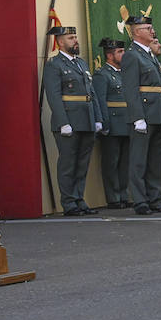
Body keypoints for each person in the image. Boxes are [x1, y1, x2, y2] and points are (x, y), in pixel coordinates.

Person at [42, 25, 102, 216]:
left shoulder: (81, 64)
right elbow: (54, 95)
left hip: (86, 119)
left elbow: (92, 93)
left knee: (82, 163)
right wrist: (63, 122)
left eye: (75, 37)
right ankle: (69, 203)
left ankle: (79, 199)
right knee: (68, 164)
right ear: (60, 42)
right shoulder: (54, 65)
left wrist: (98, 118)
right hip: (69, 120)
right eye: (70, 38)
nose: (75, 40)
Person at [121, 15, 161, 214]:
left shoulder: (149, 55)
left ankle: (154, 197)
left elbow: (160, 87)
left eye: (152, 27)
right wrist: (137, 117)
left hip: (157, 112)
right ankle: (140, 200)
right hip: (144, 114)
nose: (153, 31)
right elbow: (131, 89)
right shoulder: (132, 55)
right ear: (136, 32)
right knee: (139, 160)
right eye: (148, 28)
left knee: (154, 160)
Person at [91, 38, 132, 209]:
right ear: (109, 55)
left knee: (125, 162)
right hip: (113, 124)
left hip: (127, 123)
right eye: (120, 52)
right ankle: (113, 197)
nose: (124, 54)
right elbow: (100, 100)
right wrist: (104, 123)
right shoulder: (102, 75)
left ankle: (123, 194)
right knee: (111, 162)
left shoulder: (125, 73)